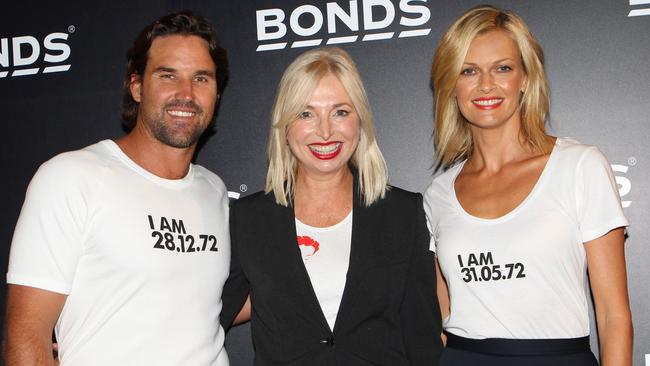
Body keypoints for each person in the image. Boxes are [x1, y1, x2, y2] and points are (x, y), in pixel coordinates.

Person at [4, 11, 231, 366]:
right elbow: (26, 337)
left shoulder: (214, 191)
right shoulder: (70, 177)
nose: (186, 94)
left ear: (216, 93)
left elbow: (209, 302)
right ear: (137, 86)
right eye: (168, 75)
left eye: (201, 78)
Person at [424, 5, 633, 366]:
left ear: (525, 78)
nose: (486, 85)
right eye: (468, 71)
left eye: (502, 68)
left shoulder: (579, 166)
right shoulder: (438, 194)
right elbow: (443, 310)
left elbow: (614, 318)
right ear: (451, 84)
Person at [221, 47, 442, 365]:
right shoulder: (248, 220)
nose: (325, 131)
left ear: (360, 122)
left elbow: (423, 340)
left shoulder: (404, 213)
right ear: (284, 127)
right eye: (305, 114)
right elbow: (206, 321)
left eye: (340, 112)